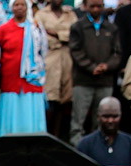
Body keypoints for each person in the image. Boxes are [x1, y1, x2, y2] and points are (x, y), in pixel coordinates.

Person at [69, 0, 121, 144]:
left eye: (99, 6)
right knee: (78, 119)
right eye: (93, 6)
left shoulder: (112, 28)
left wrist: (107, 66)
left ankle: (101, 148)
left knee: (101, 120)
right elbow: (75, 51)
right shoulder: (78, 27)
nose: (96, 9)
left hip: (105, 81)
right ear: (85, 7)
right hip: (83, 80)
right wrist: (92, 67)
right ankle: (77, 147)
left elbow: (117, 53)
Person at [0, 0, 46, 138]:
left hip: (32, 81)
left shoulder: (35, 28)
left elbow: (43, 51)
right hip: (10, 79)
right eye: (16, 5)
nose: (20, 7)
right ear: (12, 8)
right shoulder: (4, 29)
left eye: (23, 4)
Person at [36, 0, 76, 136]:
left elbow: (75, 34)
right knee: (49, 98)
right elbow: (40, 35)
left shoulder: (70, 14)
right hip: (49, 58)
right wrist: (63, 34)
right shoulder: (41, 14)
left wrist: (57, 34)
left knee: (64, 100)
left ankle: (58, 135)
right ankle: (45, 134)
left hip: (67, 58)